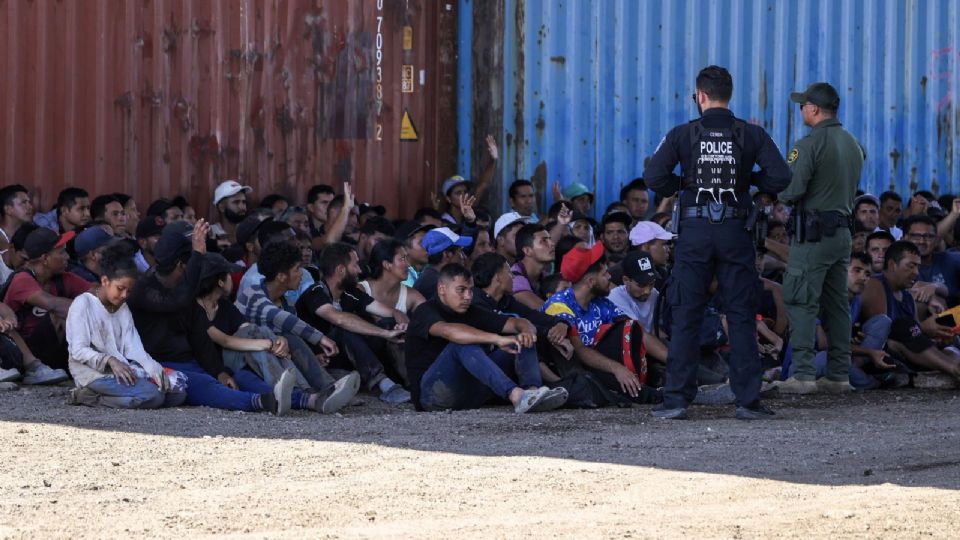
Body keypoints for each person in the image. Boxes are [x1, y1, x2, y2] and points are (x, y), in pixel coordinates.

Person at [644, 65, 791, 419]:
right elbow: (781, 176)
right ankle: (748, 401)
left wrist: (683, 187)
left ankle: (677, 400)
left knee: (686, 313)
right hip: (735, 231)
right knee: (740, 313)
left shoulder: (683, 133)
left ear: (701, 96)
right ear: (729, 95)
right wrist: (747, 180)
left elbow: (654, 176)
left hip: (695, 232)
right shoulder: (751, 134)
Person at [128, 219, 298, 415]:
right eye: (195, 264)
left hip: (191, 362)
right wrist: (198, 254)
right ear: (183, 266)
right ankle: (263, 402)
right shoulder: (144, 289)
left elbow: (200, 339)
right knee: (202, 383)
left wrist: (220, 372)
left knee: (238, 376)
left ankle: (303, 399)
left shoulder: (185, 292)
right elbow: (175, 301)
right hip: (159, 366)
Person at [776, 82, 865, 395]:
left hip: (813, 235)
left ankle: (802, 374)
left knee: (800, 299)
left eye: (803, 105)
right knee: (836, 304)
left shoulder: (810, 143)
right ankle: (839, 374)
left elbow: (791, 190)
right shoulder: (852, 143)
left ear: (814, 109)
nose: (801, 110)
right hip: (842, 234)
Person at [405, 263, 568, 413]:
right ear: (442, 289)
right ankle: (517, 395)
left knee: (520, 339)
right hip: (432, 397)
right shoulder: (425, 311)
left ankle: (532, 394)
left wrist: (526, 330)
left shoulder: (471, 310)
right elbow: (450, 331)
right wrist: (496, 339)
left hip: (469, 394)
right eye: (461, 290)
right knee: (461, 344)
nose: (468, 296)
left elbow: (515, 322)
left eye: (470, 290)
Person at [195, 252, 339, 413]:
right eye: (228, 275)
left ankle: (308, 395)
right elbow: (226, 341)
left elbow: (247, 328)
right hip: (218, 365)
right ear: (220, 282)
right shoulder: (195, 309)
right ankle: (306, 394)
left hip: (241, 362)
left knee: (270, 340)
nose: (232, 278)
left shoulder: (225, 305)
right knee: (253, 368)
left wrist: (277, 339)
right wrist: (268, 343)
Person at [235, 240, 360, 412]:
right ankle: (311, 394)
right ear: (281, 276)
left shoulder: (286, 302)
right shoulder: (253, 293)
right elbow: (279, 317)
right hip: (243, 358)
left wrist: (311, 357)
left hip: (271, 356)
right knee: (277, 336)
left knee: (290, 339)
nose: (302, 274)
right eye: (297, 269)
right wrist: (320, 338)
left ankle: (328, 389)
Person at [65, 243, 187, 409]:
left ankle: (116, 394)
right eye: (120, 289)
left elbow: (133, 347)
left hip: (124, 370)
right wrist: (109, 360)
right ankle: (91, 397)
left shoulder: (122, 309)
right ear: (105, 281)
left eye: (129, 291)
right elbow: (78, 351)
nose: (124, 295)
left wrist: (154, 369)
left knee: (178, 394)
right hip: (93, 374)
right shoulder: (83, 303)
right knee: (154, 396)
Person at [541, 244, 664, 403]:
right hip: (574, 373)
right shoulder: (559, 305)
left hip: (600, 367)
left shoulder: (600, 303)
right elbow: (580, 351)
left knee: (632, 332)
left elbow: (636, 331)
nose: (610, 277)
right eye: (605, 274)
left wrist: (674, 359)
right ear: (591, 281)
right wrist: (617, 369)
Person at [296, 243, 411, 404]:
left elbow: (389, 312)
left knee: (389, 323)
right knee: (344, 330)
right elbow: (339, 318)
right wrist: (385, 334)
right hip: (324, 363)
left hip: (354, 359)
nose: (360, 270)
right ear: (341, 269)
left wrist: (399, 321)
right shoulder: (315, 293)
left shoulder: (350, 293)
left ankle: (409, 382)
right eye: (355, 265)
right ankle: (385, 386)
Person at [860, 241, 960, 382]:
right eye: (911, 266)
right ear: (892, 265)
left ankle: (948, 370)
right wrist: (924, 328)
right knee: (903, 326)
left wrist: (935, 333)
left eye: (917, 267)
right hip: (879, 356)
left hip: (908, 353)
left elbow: (916, 334)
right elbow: (882, 334)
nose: (916, 272)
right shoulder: (875, 284)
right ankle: (954, 369)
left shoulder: (907, 296)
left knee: (950, 347)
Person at [1, 227, 92, 373]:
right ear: (44, 259)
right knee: (59, 315)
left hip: (50, 347)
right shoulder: (22, 279)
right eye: (61, 252)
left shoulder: (62, 278)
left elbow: (98, 293)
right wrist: (93, 309)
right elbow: (53, 305)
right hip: (23, 351)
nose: (67, 257)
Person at [361, 239, 426, 321]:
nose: (408, 265)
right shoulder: (362, 289)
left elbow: (429, 319)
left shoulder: (411, 295)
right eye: (402, 259)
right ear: (387, 264)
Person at [904, 215, 960, 305]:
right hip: (919, 317)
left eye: (928, 236)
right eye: (916, 236)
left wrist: (935, 286)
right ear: (905, 238)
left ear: (936, 240)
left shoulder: (950, 259)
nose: (922, 241)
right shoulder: (897, 269)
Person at [607, 251, 660, 332]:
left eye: (651, 284)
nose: (647, 291)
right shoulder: (614, 298)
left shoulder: (654, 293)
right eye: (641, 285)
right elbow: (638, 334)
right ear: (626, 280)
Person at [413, 227, 472, 299]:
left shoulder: (431, 277)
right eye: (460, 251)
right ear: (446, 255)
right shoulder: (434, 284)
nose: (464, 257)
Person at [511, 223, 555, 310]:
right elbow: (545, 309)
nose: (552, 244)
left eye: (550, 239)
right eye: (544, 241)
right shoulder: (513, 277)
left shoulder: (546, 277)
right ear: (527, 251)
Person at [0, 184, 34, 283]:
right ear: (8, 209)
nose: (30, 207)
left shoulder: (30, 233)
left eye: (29, 202)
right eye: (24, 202)